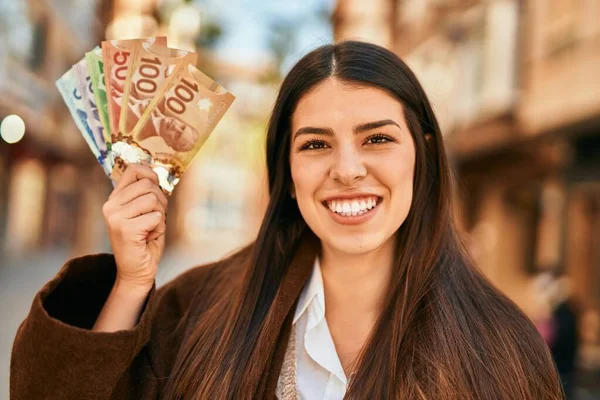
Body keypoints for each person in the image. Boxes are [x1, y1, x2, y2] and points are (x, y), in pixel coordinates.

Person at [10, 41, 564, 399]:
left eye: (377, 138)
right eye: (316, 144)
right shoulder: (200, 309)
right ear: (288, 171)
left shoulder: (502, 348)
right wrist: (132, 283)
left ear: (421, 150)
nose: (348, 170)